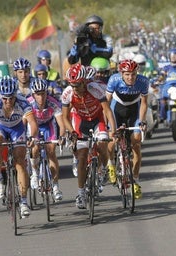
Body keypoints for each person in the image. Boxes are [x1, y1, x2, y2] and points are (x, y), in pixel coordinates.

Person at [61, 63, 116, 209]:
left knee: (103, 145)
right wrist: (72, 131)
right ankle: (81, 193)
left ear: (84, 81)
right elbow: (65, 118)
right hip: (81, 122)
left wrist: (113, 130)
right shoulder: (67, 94)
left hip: (98, 120)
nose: (74, 88)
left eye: (77, 85)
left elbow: (108, 111)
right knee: (81, 157)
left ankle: (103, 169)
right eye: (72, 85)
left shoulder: (95, 89)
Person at [0, 76, 38, 217]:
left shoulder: (23, 102)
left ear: (15, 95)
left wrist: (31, 137)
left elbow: (33, 123)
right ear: (0, 96)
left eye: (11, 98)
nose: (8, 102)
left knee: (20, 162)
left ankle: (24, 201)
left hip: (16, 128)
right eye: (4, 98)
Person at [106, 59, 149, 199]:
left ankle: (135, 180)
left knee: (136, 142)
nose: (130, 78)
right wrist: (106, 122)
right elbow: (106, 103)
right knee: (112, 138)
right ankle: (111, 163)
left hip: (134, 109)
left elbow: (144, 103)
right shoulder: (114, 80)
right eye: (127, 75)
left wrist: (142, 121)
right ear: (121, 74)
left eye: (133, 74)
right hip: (116, 109)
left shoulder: (143, 81)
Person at [26, 78, 66, 201]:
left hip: (49, 126)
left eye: (43, 93)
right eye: (38, 94)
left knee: (51, 151)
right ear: (33, 95)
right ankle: (35, 173)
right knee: (35, 147)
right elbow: (23, 123)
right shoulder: (28, 103)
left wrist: (61, 137)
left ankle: (55, 186)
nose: (41, 97)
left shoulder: (53, 102)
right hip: (34, 127)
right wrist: (26, 139)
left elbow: (61, 124)